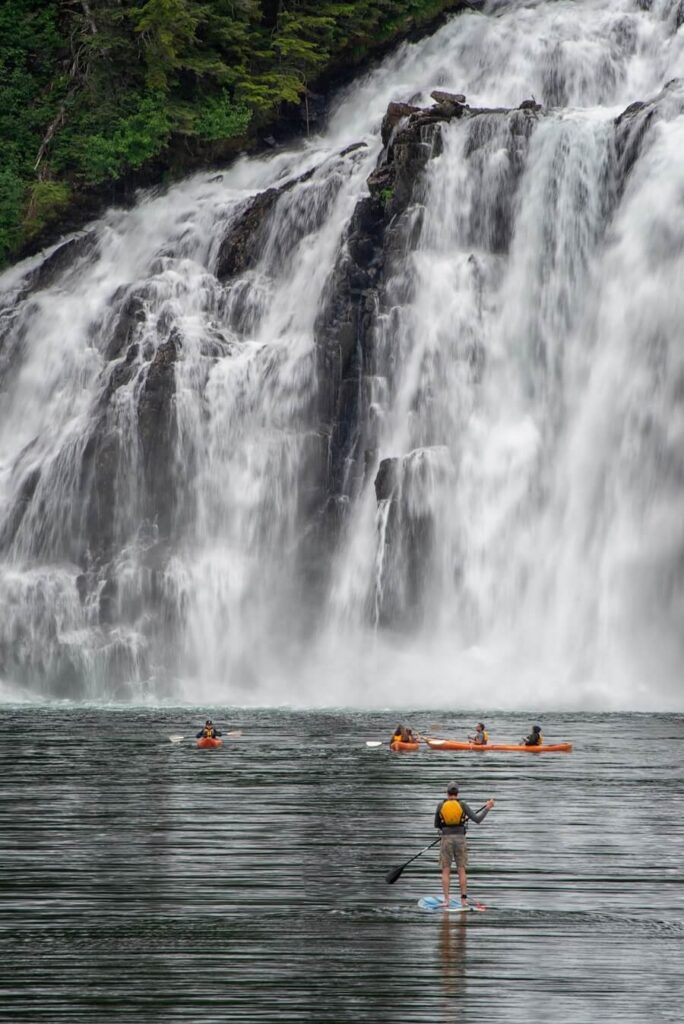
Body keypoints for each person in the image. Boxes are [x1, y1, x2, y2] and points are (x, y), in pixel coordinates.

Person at [435, 781, 495, 908]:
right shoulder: (462, 804)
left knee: (446, 870)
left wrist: (446, 826)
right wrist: (487, 808)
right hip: (461, 839)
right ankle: (463, 901)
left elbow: (437, 825)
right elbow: (478, 820)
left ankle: (446, 901)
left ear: (447, 793)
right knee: (461, 869)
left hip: (446, 839)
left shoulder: (441, 805)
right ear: (457, 793)